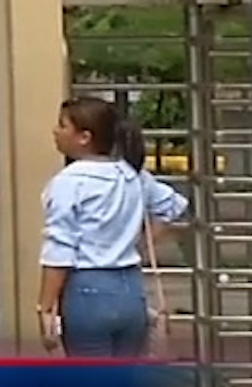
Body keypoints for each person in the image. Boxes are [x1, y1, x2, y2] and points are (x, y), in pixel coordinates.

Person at [39, 97, 191, 358]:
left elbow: (60, 248)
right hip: (131, 289)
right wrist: (138, 244)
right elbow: (172, 206)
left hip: (87, 290)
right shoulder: (132, 175)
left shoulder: (68, 182)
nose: (56, 131)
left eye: (63, 125)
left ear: (84, 137)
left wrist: (45, 306)